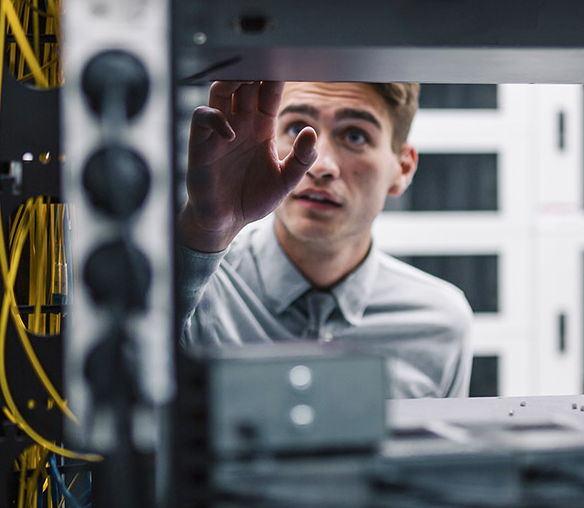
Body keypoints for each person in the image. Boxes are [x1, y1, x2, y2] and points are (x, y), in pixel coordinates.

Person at [176, 80, 474, 400]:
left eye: (355, 136)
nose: (320, 166)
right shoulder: (201, 289)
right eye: (296, 129)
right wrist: (206, 231)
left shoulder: (439, 324)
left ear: (402, 168)